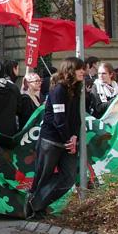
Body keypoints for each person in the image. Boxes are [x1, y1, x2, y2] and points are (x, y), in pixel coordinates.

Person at [26, 57, 84, 218]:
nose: (83, 72)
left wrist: (74, 138)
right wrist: (69, 140)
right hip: (51, 141)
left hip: (67, 141)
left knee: (69, 177)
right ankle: (35, 209)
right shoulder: (59, 89)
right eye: (80, 69)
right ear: (71, 70)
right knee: (43, 177)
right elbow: (59, 119)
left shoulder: (76, 88)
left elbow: (75, 117)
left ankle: (37, 203)